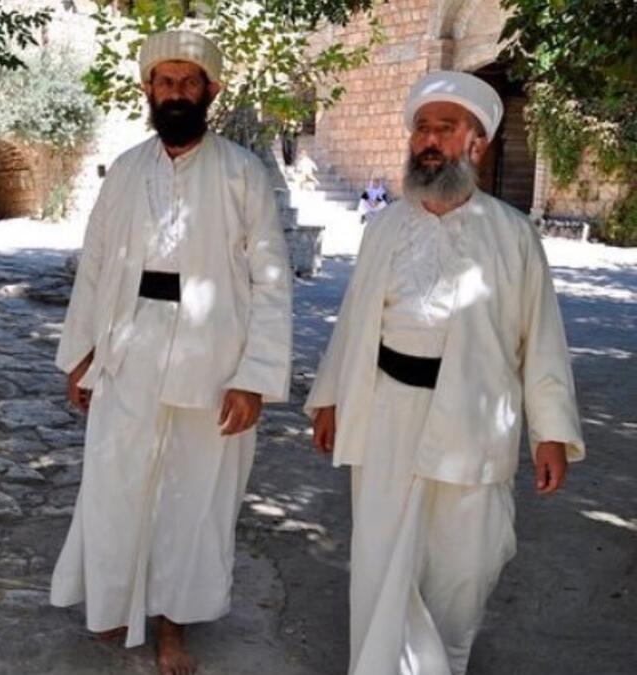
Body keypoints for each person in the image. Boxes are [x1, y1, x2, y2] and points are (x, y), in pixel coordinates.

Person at [305, 70, 585, 675]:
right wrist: (329, 398)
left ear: (476, 144)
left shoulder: (512, 236)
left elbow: (542, 339)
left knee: (463, 566)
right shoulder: (384, 228)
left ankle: (444, 665)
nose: (429, 140)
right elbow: (353, 321)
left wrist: (552, 432)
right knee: (383, 559)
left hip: (473, 418)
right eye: (422, 129)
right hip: (384, 412)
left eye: (446, 129)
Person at [49, 29, 293, 675]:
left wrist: (255, 378)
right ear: (148, 91)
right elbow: (96, 266)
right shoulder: (126, 171)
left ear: (210, 91)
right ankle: (112, 601)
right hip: (129, 348)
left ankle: (172, 628)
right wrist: (81, 355)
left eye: (189, 83)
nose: (177, 94)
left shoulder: (244, 173)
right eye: (166, 82)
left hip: (213, 359)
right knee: (116, 483)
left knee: (194, 496)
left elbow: (271, 281)